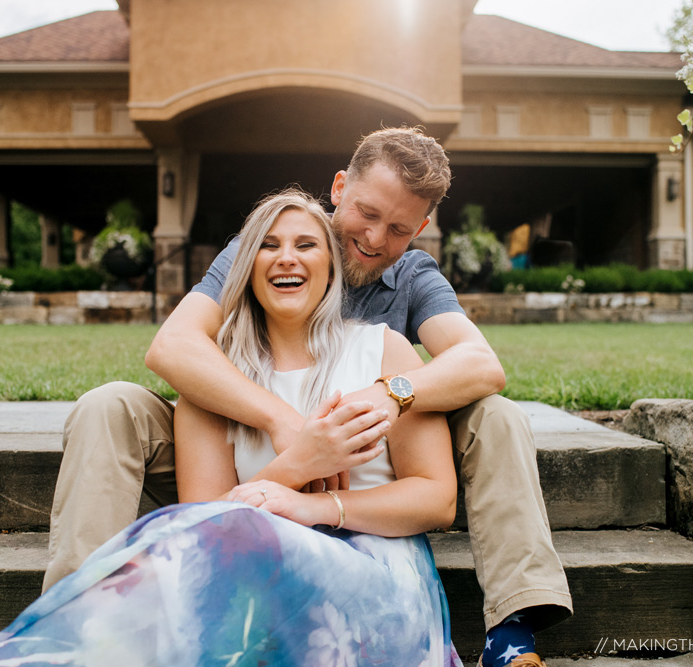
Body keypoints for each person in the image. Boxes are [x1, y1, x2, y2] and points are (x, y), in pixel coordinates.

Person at [46, 127, 572, 667]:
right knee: (108, 405)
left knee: (497, 416)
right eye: (366, 213)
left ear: (421, 226)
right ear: (340, 186)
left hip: (374, 457)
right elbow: (174, 346)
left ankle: (512, 631)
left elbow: (480, 362)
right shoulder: (276, 242)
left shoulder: (411, 278)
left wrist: (392, 393)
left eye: (396, 228)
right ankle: (76, 623)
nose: (373, 237)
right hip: (242, 440)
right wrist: (283, 424)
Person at [0, 190, 463, 666]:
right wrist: (300, 463)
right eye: (267, 246)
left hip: (375, 567)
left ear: (331, 266)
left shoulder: (384, 350)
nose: (287, 258)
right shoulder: (215, 378)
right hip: (252, 576)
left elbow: (436, 498)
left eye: (306, 244)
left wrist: (317, 507)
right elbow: (204, 531)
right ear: (247, 266)